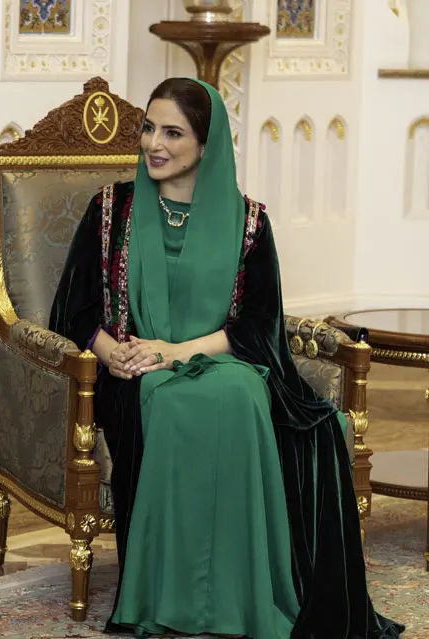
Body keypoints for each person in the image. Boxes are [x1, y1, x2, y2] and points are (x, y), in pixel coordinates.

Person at [49, 78, 403, 639]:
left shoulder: (250, 222)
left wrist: (174, 351)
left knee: (240, 395)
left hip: (218, 360)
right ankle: (167, 598)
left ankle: (238, 599)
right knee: (169, 404)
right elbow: (73, 309)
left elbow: (258, 325)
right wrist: (114, 354)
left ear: (206, 143)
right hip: (132, 373)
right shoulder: (111, 209)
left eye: (172, 133)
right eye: (149, 128)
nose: (154, 144)